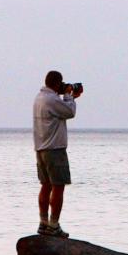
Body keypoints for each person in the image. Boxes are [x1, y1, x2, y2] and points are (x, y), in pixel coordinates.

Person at [33, 70, 82, 237]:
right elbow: (70, 112)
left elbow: (61, 111)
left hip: (40, 148)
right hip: (55, 149)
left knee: (45, 186)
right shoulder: (52, 99)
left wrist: (68, 95)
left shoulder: (39, 98)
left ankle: (43, 223)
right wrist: (69, 96)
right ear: (56, 84)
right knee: (58, 187)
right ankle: (54, 225)